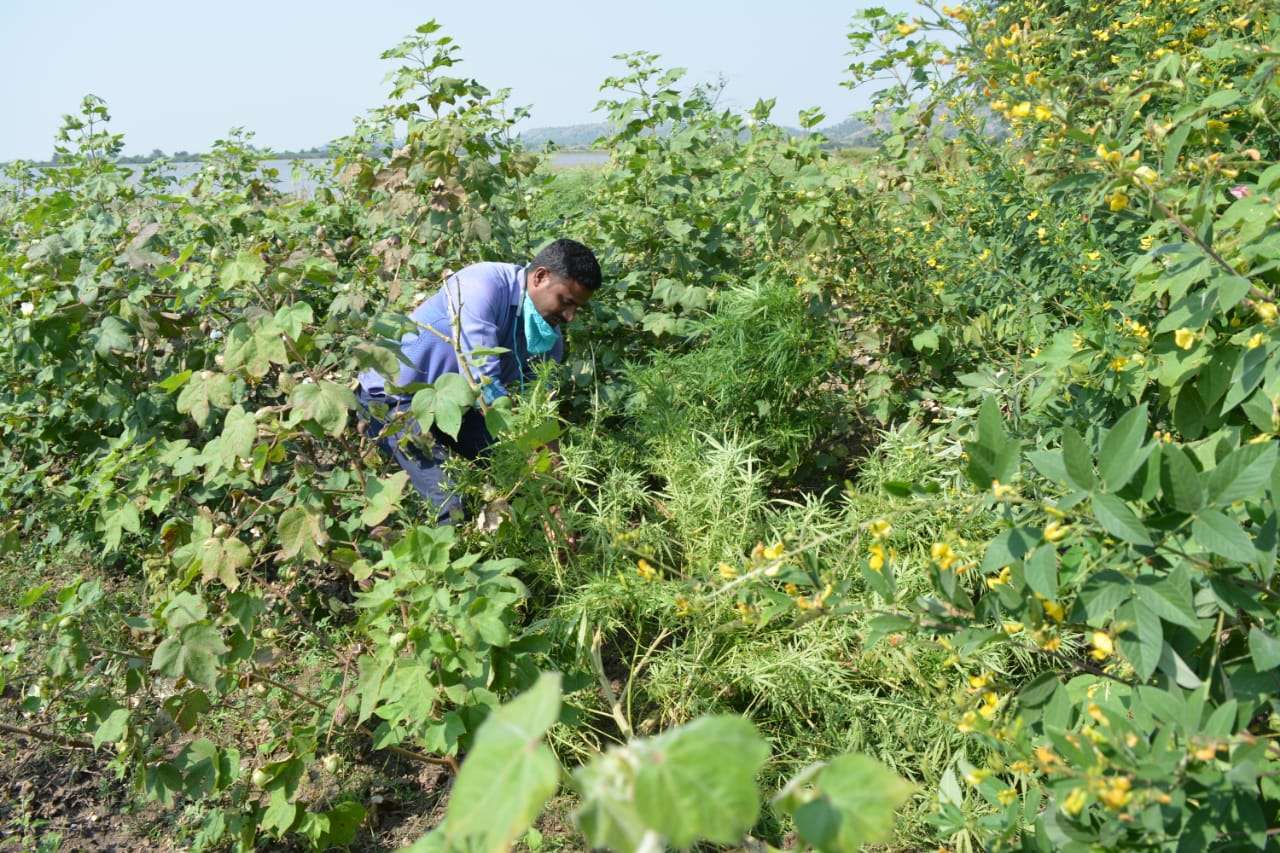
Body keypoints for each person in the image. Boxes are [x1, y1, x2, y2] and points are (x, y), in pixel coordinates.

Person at [356, 238, 601, 521]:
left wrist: (553, 493)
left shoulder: (547, 341)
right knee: (450, 502)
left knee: (515, 471)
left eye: (577, 308)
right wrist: (523, 446)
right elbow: (483, 380)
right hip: (394, 399)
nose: (570, 316)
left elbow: (541, 418)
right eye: (566, 302)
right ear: (540, 276)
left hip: (454, 404)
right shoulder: (482, 285)